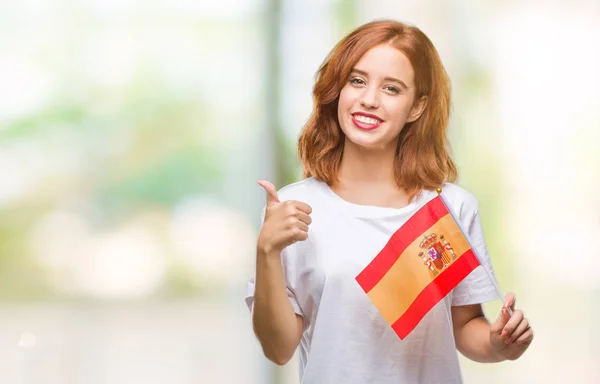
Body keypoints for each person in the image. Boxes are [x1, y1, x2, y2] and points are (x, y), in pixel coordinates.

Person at [245, 19, 534, 383]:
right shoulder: (293, 209)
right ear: (338, 89)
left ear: (416, 107)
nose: (369, 99)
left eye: (392, 89)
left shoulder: (451, 208)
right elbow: (278, 348)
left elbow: (465, 327)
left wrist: (499, 343)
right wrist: (267, 250)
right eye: (357, 80)